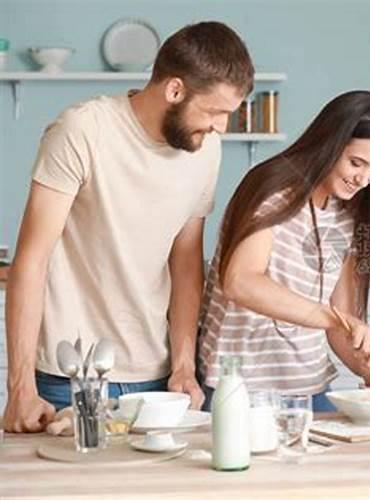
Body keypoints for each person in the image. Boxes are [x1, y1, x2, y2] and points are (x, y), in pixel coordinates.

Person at [3, 21, 254, 433]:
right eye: (215, 111)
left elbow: (187, 262)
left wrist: (183, 365)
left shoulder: (205, 150)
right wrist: (20, 389)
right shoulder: (82, 131)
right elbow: (31, 260)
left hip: (157, 377)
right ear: (175, 90)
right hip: (71, 376)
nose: (221, 127)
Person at [198, 90, 370, 412]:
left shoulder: (348, 215)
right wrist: (333, 319)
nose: (363, 179)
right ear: (329, 144)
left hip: (309, 388)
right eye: (356, 163)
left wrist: (368, 369)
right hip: (241, 388)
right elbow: (241, 281)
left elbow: (340, 323)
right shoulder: (271, 190)